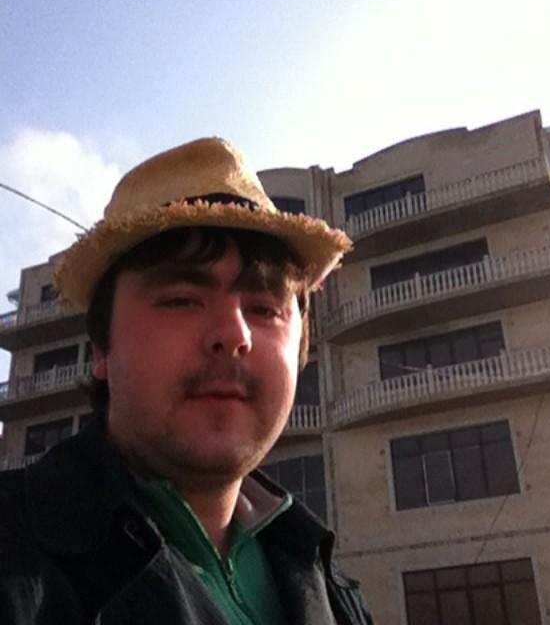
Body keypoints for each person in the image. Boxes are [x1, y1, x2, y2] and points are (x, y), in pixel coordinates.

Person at [0, 138, 374, 624]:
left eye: (265, 309)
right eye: (181, 300)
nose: (234, 335)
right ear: (101, 351)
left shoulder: (330, 585)